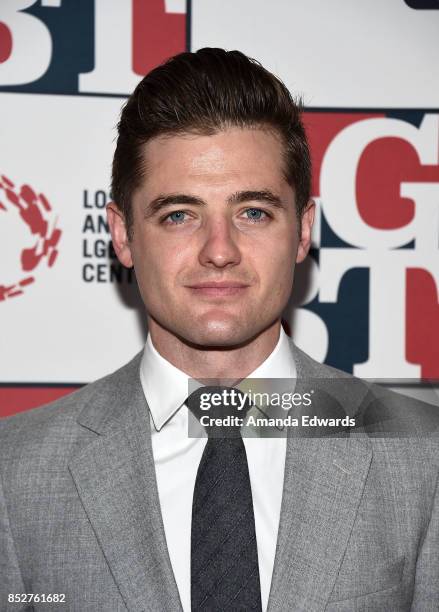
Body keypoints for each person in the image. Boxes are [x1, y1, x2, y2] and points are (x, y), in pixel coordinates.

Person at [0, 48, 438, 612]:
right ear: (123, 234)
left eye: (253, 212)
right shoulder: (16, 473)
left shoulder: (423, 457)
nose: (219, 252)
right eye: (178, 214)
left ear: (302, 230)